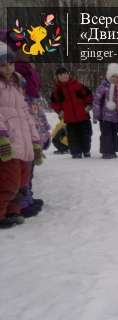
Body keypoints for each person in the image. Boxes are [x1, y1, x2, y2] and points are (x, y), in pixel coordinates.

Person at [0, 42, 42, 228]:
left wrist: (35, 141)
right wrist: (2, 137)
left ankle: (13, 212)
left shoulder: (17, 85)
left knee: (22, 183)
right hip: (9, 142)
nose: (8, 68)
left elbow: (26, 114)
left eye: (10, 63)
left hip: (23, 143)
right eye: (2, 65)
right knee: (9, 182)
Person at [50, 67, 93, 159]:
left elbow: (88, 95)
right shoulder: (57, 90)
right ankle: (76, 152)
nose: (63, 76)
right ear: (57, 77)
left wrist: (88, 105)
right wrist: (59, 111)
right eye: (60, 75)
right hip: (69, 119)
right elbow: (54, 103)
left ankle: (86, 151)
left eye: (65, 74)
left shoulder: (78, 85)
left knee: (86, 135)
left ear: (68, 74)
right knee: (73, 137)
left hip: (83, 116)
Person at [92, 63, 118, 159]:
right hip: (105, 117)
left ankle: (113, 150)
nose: (114, 78)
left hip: (115, 117)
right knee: (106, 134)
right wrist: (96, 115)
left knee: (114, 133)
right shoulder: (103, 87)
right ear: (108, 76)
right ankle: (106, 152)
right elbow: (96, 101)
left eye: (116, 77)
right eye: (112, 76)